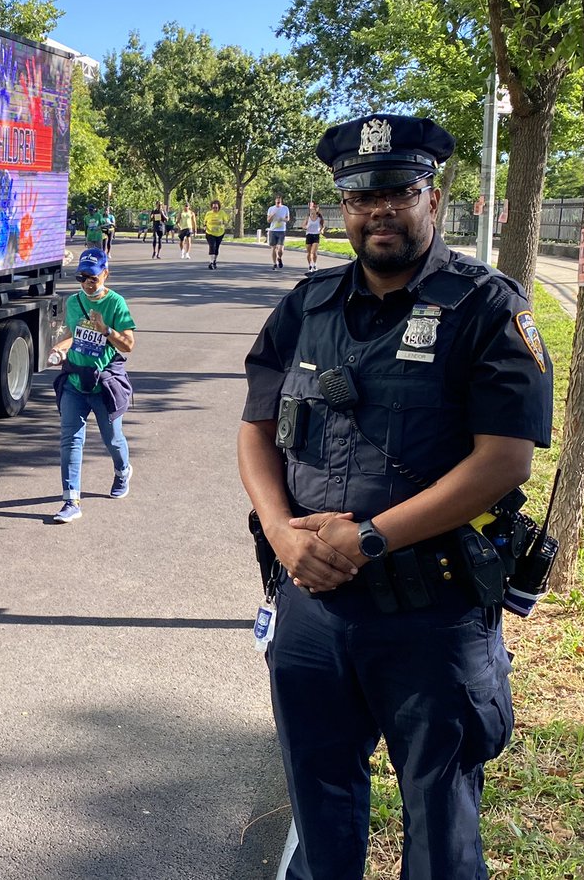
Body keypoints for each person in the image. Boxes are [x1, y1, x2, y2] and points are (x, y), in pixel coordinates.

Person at [237, 113, 554, 879]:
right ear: (340, 208)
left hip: (431, 616)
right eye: (359, 194)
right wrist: (282, 534)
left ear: (433, 199)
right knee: (318, 810)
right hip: (311, 612)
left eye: (398, 191)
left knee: (441, 828)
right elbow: (254, 432)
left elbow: (503, 460)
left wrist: (368, 538)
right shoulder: (305, 308)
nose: (378, 208)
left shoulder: (485, 306)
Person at [48, 247, 136, 524]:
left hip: (103, 384)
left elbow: (129, 345)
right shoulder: (74, 303)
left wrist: (106, 331)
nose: (87, 282)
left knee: (112, 438)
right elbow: (73, 335)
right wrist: (59, 349)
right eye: (82, 277)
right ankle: (71, 500)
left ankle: (123, 471)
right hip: (75, 381)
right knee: (70, 441)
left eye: (93, 277)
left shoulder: (116, 304)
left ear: (105, 274)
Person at [266, 194, 291, 270]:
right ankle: (274, 263)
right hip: (273, 230)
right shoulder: (271, 209)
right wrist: (272, 216)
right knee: (273, 248)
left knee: (280, 248)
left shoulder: (285, 208)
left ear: (281, 201)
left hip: (281, 230)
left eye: (279, 201)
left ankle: (279, 258)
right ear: (275, 201)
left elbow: (287, 219)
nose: (278, 203)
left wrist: (282, 219)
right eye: (277, 201)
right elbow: (268, 220)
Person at [202, 199, 227, 269]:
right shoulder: (208, 213)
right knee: (212, 246)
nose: (215, 209)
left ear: (219, 207)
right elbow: (205, 222)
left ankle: (214, 260)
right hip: (210, 233)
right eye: (213, 207)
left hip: (220, 233)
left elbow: (226, 221)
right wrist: (204, 226)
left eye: (216, 208)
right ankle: (211, 262)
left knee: (216, 247)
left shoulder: (222, 213)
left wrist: (222, 223)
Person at [303, 201, 325, 272]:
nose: (313, 210)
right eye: (312, 209)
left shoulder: (319, 218)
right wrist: (305, 227)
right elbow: (303, 225)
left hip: (316, 235)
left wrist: (321, 230)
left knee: (313, 252)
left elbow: (322, 226)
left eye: (314, 209)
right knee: (309, 253)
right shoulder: (308, 217)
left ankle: (314, 264)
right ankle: (310, 265)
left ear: (316, 210)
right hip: (309, 235)